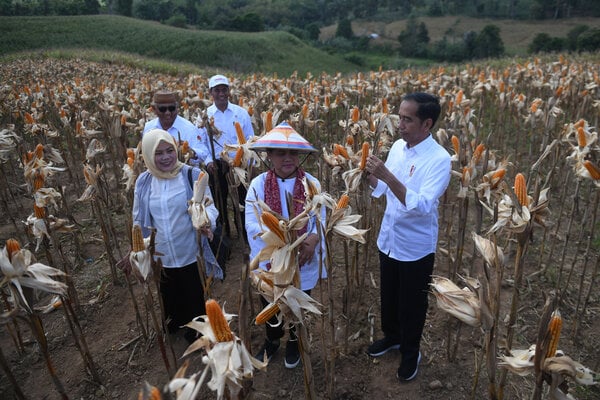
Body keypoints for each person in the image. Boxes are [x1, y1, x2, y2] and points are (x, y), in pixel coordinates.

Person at [364, 92, 451, 382]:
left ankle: (411, 352)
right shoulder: (399, 147)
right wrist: (367, 175)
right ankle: (393, 337)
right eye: (399, 117)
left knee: (412, 305)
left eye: (406, 119)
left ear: (427, 124)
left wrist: (387, 175)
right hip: (388, 238)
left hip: (415, 247)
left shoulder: (439, 160)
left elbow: (423, 205)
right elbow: (385, 190)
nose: (399, 124)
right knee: (389, 297)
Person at [245, 122, 325, 369]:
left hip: (303, 257)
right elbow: (251, 223)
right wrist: (278, 243)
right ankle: (272, 340)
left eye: (293, 153)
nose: (288, 158)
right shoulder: (258, 185)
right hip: (272, 259)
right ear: (269, 155)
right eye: (281, 152)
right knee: (270, 301)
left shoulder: (311, 183)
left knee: (298, 300)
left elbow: (319, 219)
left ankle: (294, 341)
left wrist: (312, 239)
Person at [132, 129, 222, 343]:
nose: (165, 157)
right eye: (158, 153)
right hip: (161, 254)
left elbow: (209, 206)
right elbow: (138, 217)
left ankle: (198, 329)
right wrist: (137, 248)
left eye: (170, 151)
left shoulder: (190, 174)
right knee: (170, 297)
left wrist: (206, 221)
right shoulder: (143, 182)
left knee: (194, 294)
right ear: (147, 155)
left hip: (190, 249)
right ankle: (177, 323)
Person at [202, 74, 255, 237]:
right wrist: (209, 161)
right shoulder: (206, 115)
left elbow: (250, 139)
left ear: (229, 91)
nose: (221, 93)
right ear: (211, 92)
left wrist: (249, 161)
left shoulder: (241, 113)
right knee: (219, 202)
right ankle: (224, 237)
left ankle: (244, 234)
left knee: (242, 201)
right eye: (217, 90)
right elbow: (201, 143)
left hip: (239, 164)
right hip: (216, 166)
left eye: (224, 90)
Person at [143, 90, 206, 166]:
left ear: (177, 108)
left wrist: (190, 152)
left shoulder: (188, 128)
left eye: (171, 108)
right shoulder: (149, 127)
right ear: (154, 109)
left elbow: (203, 154)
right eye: (162, 109)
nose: (167, 113)